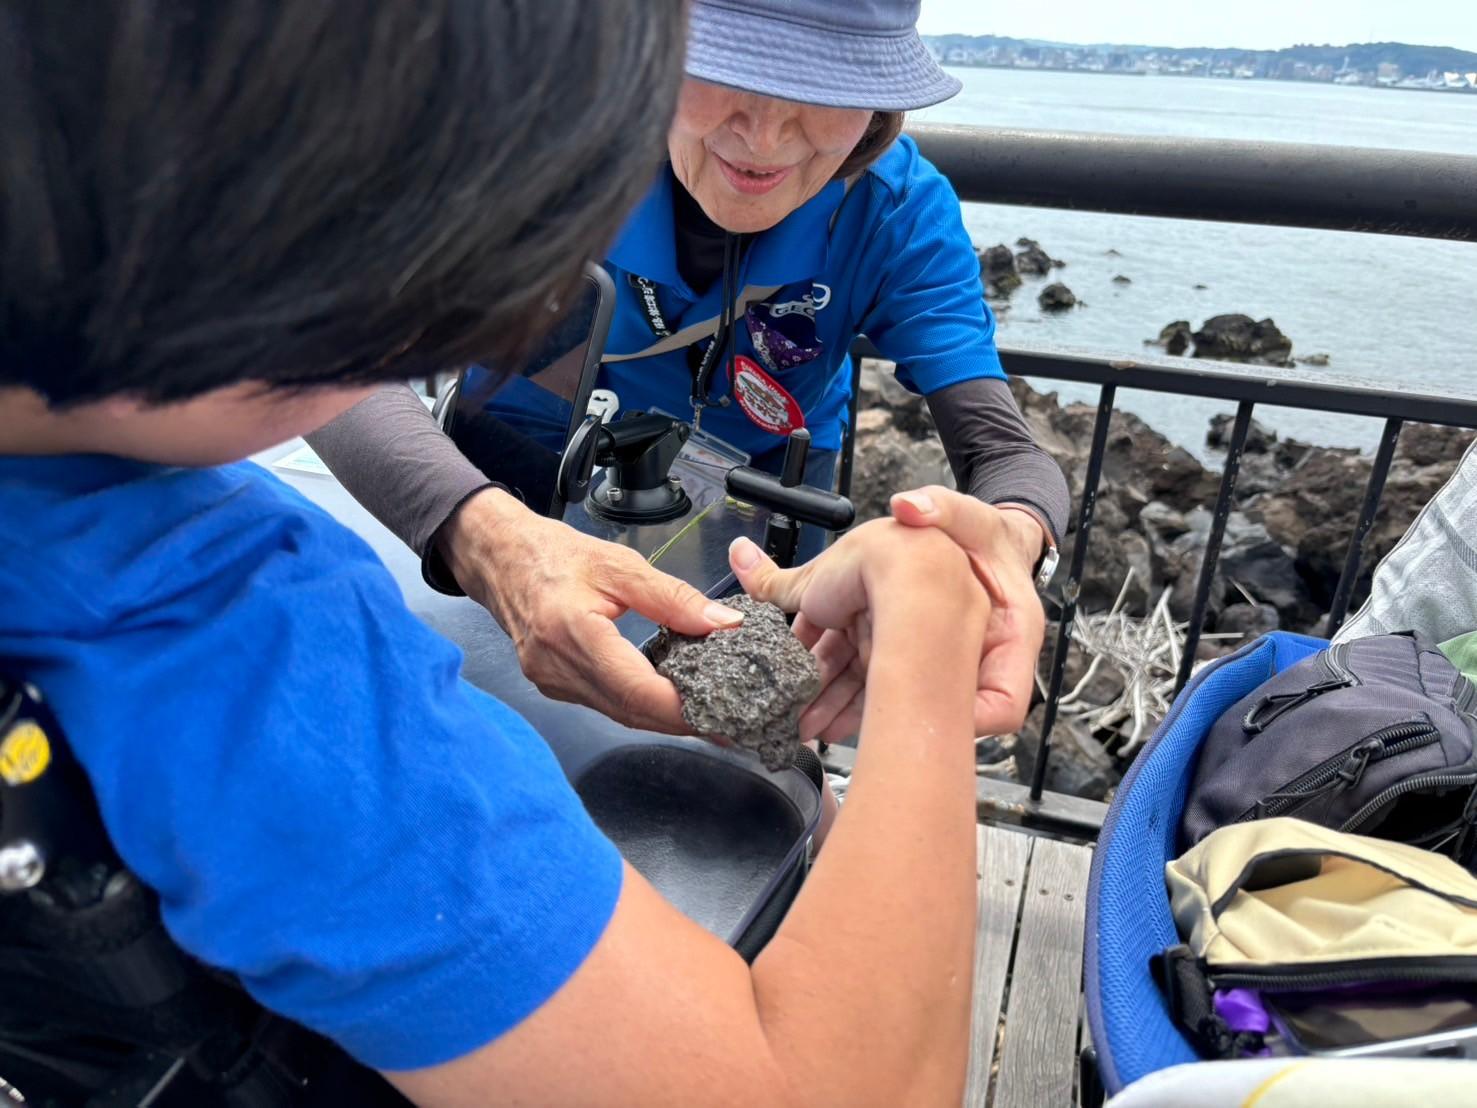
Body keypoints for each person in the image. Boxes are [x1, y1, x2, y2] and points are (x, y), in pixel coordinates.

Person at [2, 4, 1011, 1105]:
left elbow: (997, 441)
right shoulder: (233, 647)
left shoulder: (899, 212)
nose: (493, 313)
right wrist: (928, 628)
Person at [309, 0, 1070, 741]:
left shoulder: (894, 213)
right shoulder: (535, 140)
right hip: (514, 475)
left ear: (878, 105)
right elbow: (321, 345)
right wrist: (488, 542)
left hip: (760, 514)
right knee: (473, 727)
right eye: (724, 68)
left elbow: (1001, 452)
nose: (764, 135)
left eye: (829, 87)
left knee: (741, 764)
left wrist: (1006, 546)